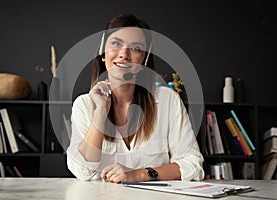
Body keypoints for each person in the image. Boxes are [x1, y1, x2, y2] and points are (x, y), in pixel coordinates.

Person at [67, 13, 204, 183]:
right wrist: (100, 112)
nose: (124, 54)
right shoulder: (84, 105)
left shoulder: (168, 101)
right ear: (103, 53)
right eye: (116, 44)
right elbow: (83, 171)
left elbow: (193, 165)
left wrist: (139, 174)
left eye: (136, 48)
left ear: (144, 60)